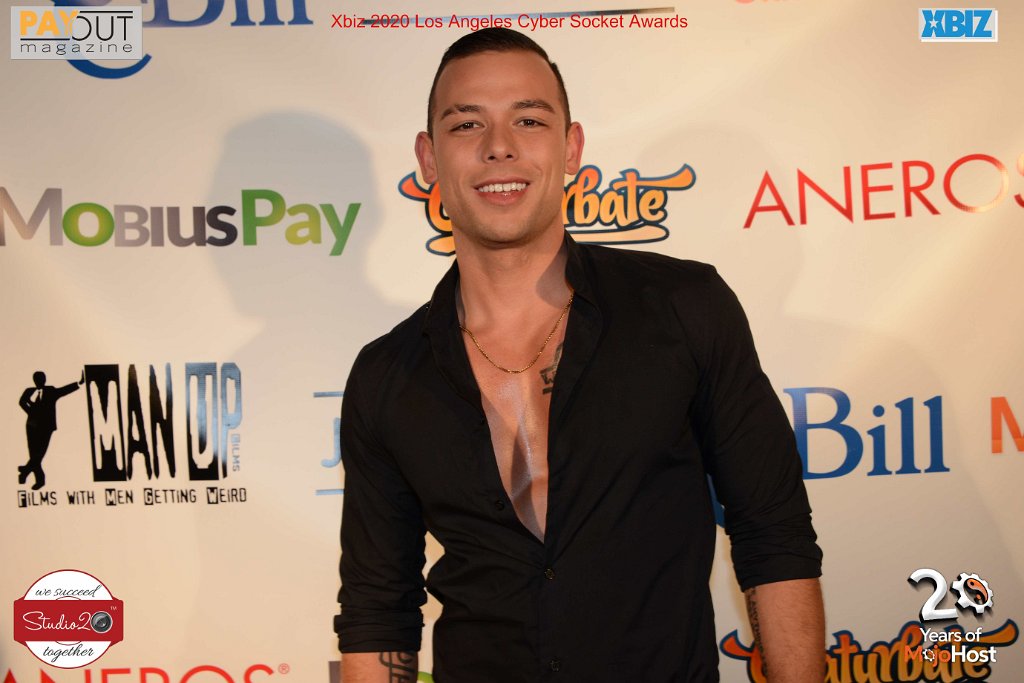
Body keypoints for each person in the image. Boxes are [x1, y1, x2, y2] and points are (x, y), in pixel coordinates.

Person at [335, 28, 824, 682]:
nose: (499, 145)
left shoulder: (683, 308)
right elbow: (378, 609)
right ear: (428, 158)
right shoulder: (385, 378)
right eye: (467, 123)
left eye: (529, 120)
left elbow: (773, 533)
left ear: (572, 148)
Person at [18, 370, 83, 490]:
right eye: (37, 379)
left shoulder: (50, 391)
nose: (40, 381)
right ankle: (37, 479)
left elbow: (63, 391)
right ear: (34, 380)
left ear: (44, 380)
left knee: (39, 453)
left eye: (41, 379)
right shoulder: (29, 391)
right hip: (32, 426)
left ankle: (25, 471)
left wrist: (78, 383)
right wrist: (31, 411)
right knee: (34, 454)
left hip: (46, 427)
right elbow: (21, 402)